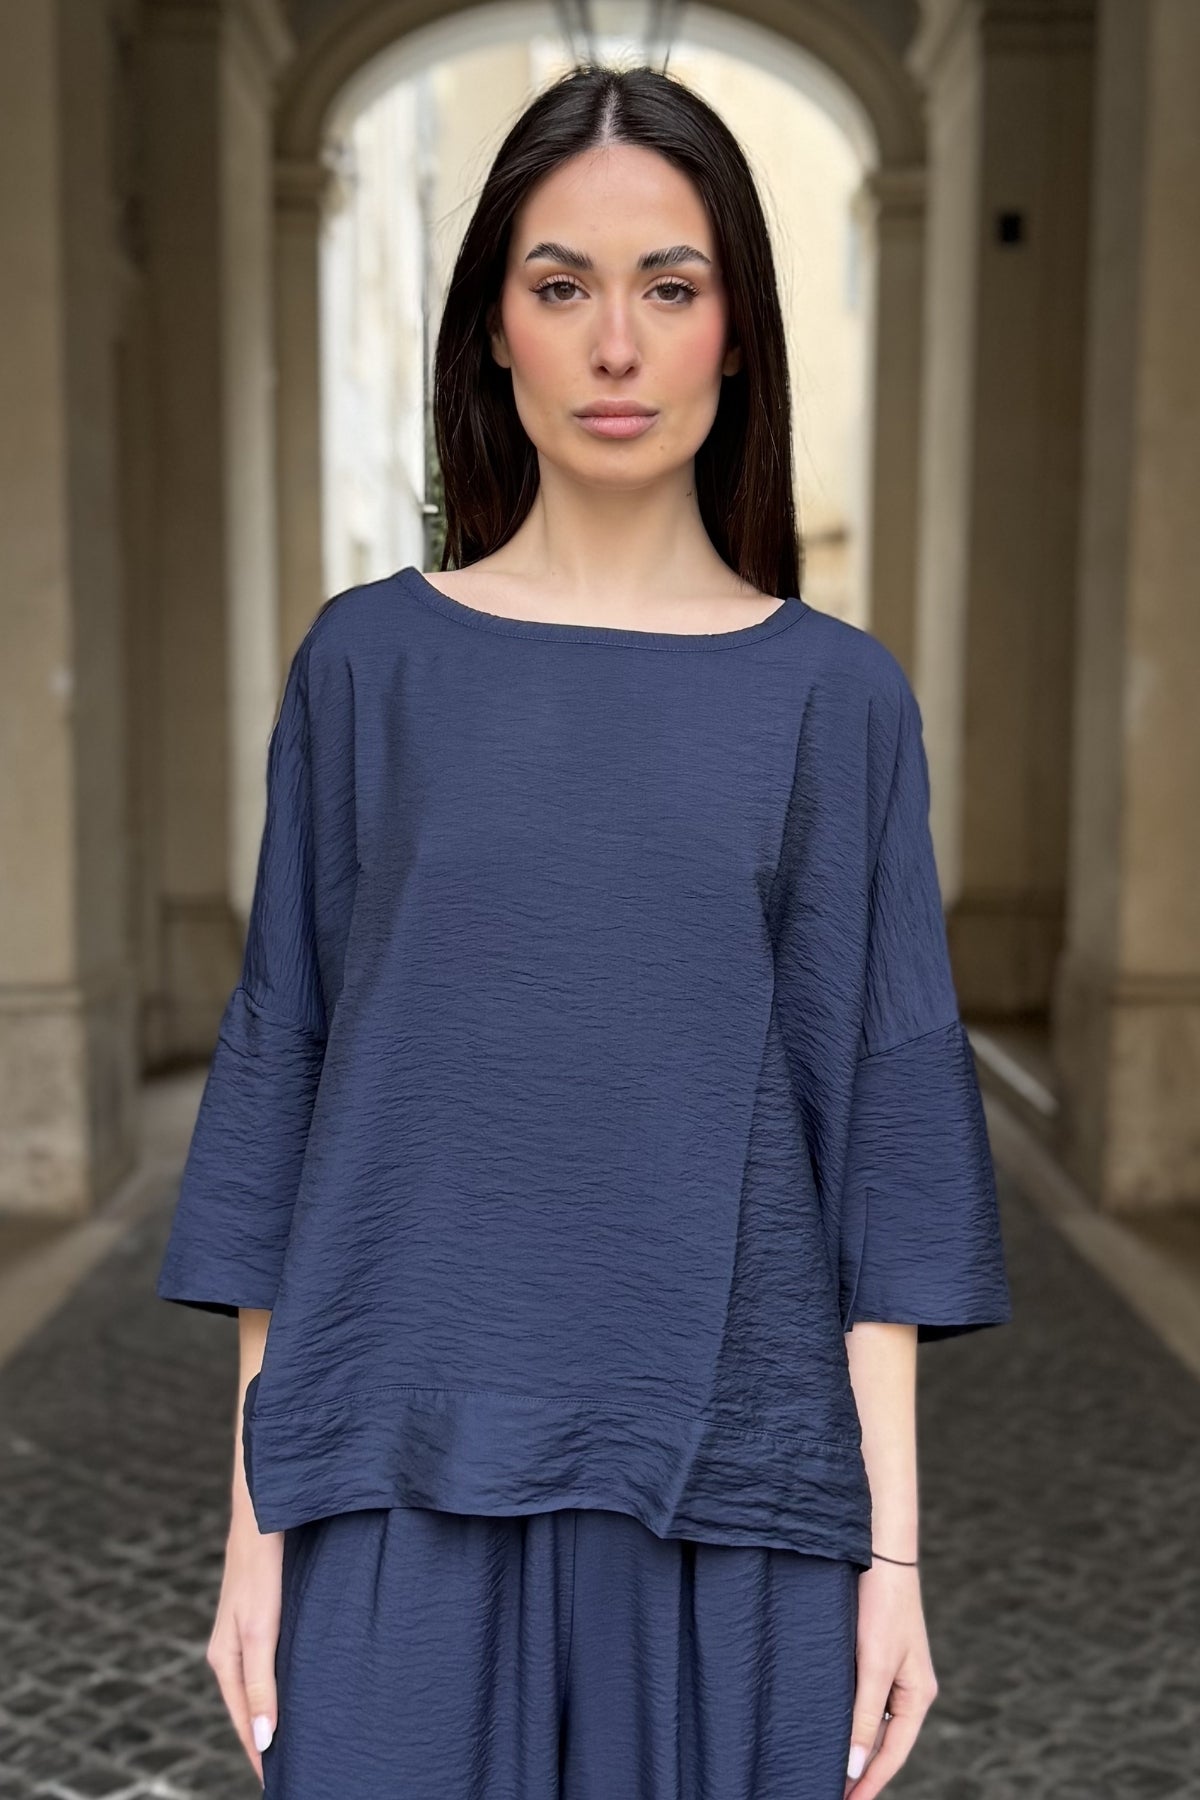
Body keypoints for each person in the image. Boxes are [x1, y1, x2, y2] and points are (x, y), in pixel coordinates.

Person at [155, 61, 1012, 1800]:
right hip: (389, 1487)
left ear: (738, 333)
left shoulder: (838, 706)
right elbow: (288, 1085)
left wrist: (895, 1559)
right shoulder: (367, 671)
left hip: (737, 1502)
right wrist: (257, 1520)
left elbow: (887, 1142)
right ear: (494, 329)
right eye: (562, 287)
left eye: (669, 288)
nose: (616, 345)